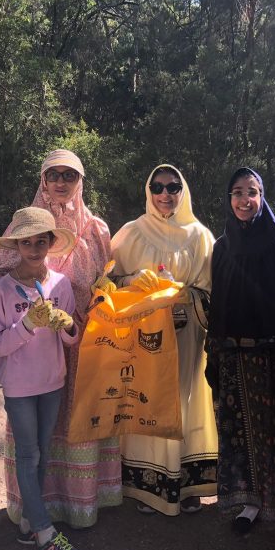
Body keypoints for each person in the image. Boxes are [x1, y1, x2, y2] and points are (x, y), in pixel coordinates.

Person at [0, 149, 122, 530]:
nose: (61, 182)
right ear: (43, 180)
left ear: (81, 181)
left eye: (69, 175)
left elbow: (107, 280)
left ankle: (77, 505)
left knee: (71, 423)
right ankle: (37, 513)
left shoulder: (97, 229)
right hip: (28, 357)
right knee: (33, 444)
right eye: (53, 175)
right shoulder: (22, 226)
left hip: (81, 344)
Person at [207, 168, 275, 534]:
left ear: (262, 197)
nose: (244, 200)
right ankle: (249, 502)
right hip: (233, 354)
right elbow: (217, 304)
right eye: (237, 192)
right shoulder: (223, 247)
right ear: (228, 198)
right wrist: (214, 354)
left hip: (270, 355)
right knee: (238, 431)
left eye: (252, 192)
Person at [110, 164, 218, 515]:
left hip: (187, 337)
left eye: (173, 187)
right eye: (157, 186)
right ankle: (146, 483)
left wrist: (183, 294)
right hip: (143, 339)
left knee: (183, 401)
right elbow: (109, 283)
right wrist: (136, 283)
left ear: (183, 191)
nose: (165, 194)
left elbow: (213, 289)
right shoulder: (130, 234)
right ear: (148, 190)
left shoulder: (200, 236)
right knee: (147, 401)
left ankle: (186, 485)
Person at [0, 206, 88, 550]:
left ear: (49, 243)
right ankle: (45, 534)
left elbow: (73, 339)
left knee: (41, 452)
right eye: (25, 242)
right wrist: (26, 325)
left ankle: (28, 523)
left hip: (52, 381)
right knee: (28, 456)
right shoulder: (3, 289)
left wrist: (67, 326)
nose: (33, 248)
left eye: (39, 241)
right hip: (19, 387)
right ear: (16, 246)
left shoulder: (60, 284)